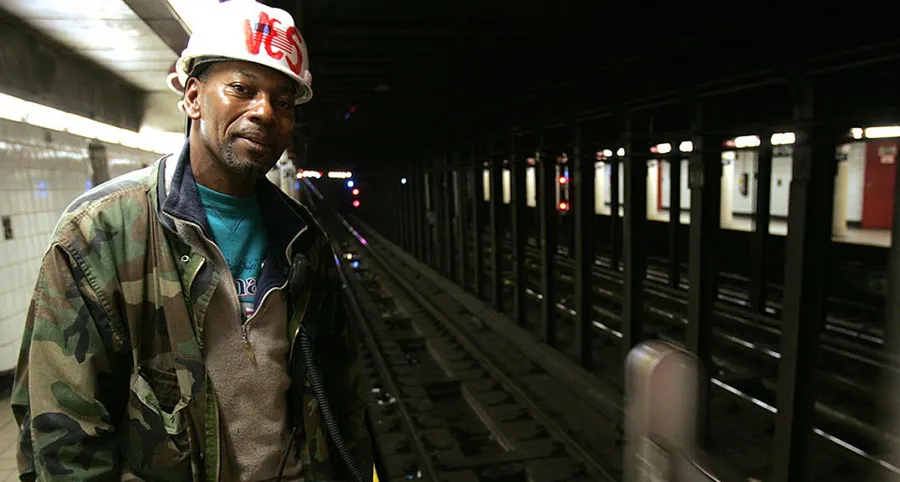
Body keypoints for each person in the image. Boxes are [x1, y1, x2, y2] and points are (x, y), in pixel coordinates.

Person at [10, 1, 372, 481]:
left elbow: (340, 397)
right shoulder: (102, 233)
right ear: (193, 98)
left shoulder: (303, 239)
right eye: (242, 89)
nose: (264, 111)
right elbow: (61, 436)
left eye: (282, 101)